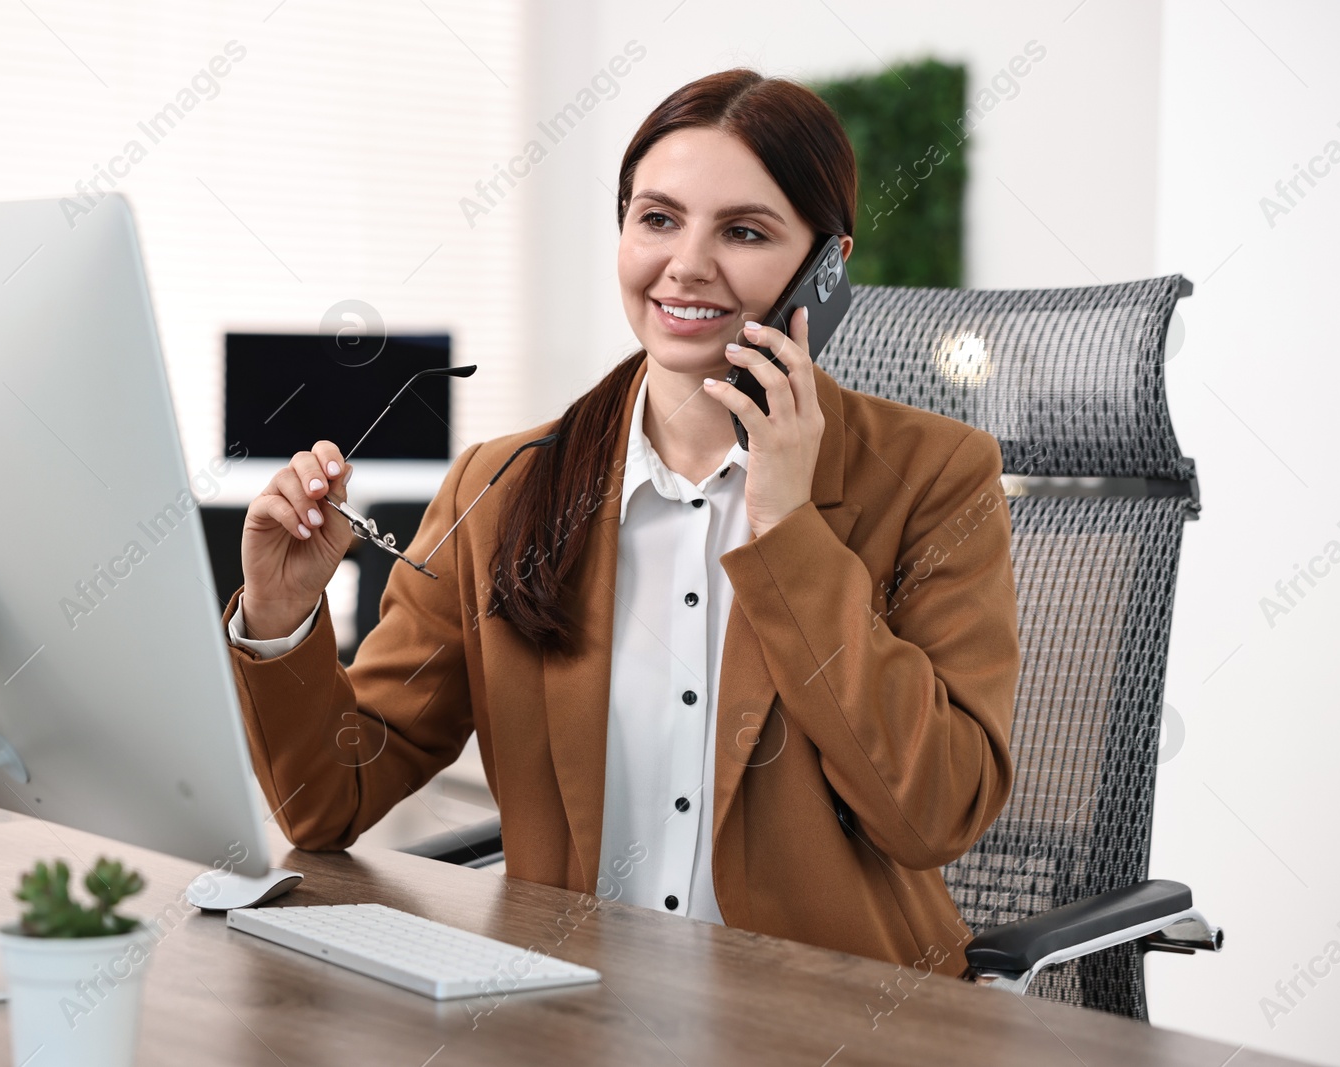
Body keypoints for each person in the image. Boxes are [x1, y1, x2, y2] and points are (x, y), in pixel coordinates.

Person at [224, 68, 1020, 977]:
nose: (686, 264)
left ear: (825, 268)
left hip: (828, 1023)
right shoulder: (503, 489)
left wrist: (788, 526)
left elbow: (935, 813)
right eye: (658, 218)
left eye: (746, 232)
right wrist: (281, 621)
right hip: (572, 1016)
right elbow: (330, 802)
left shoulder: (936, 476)